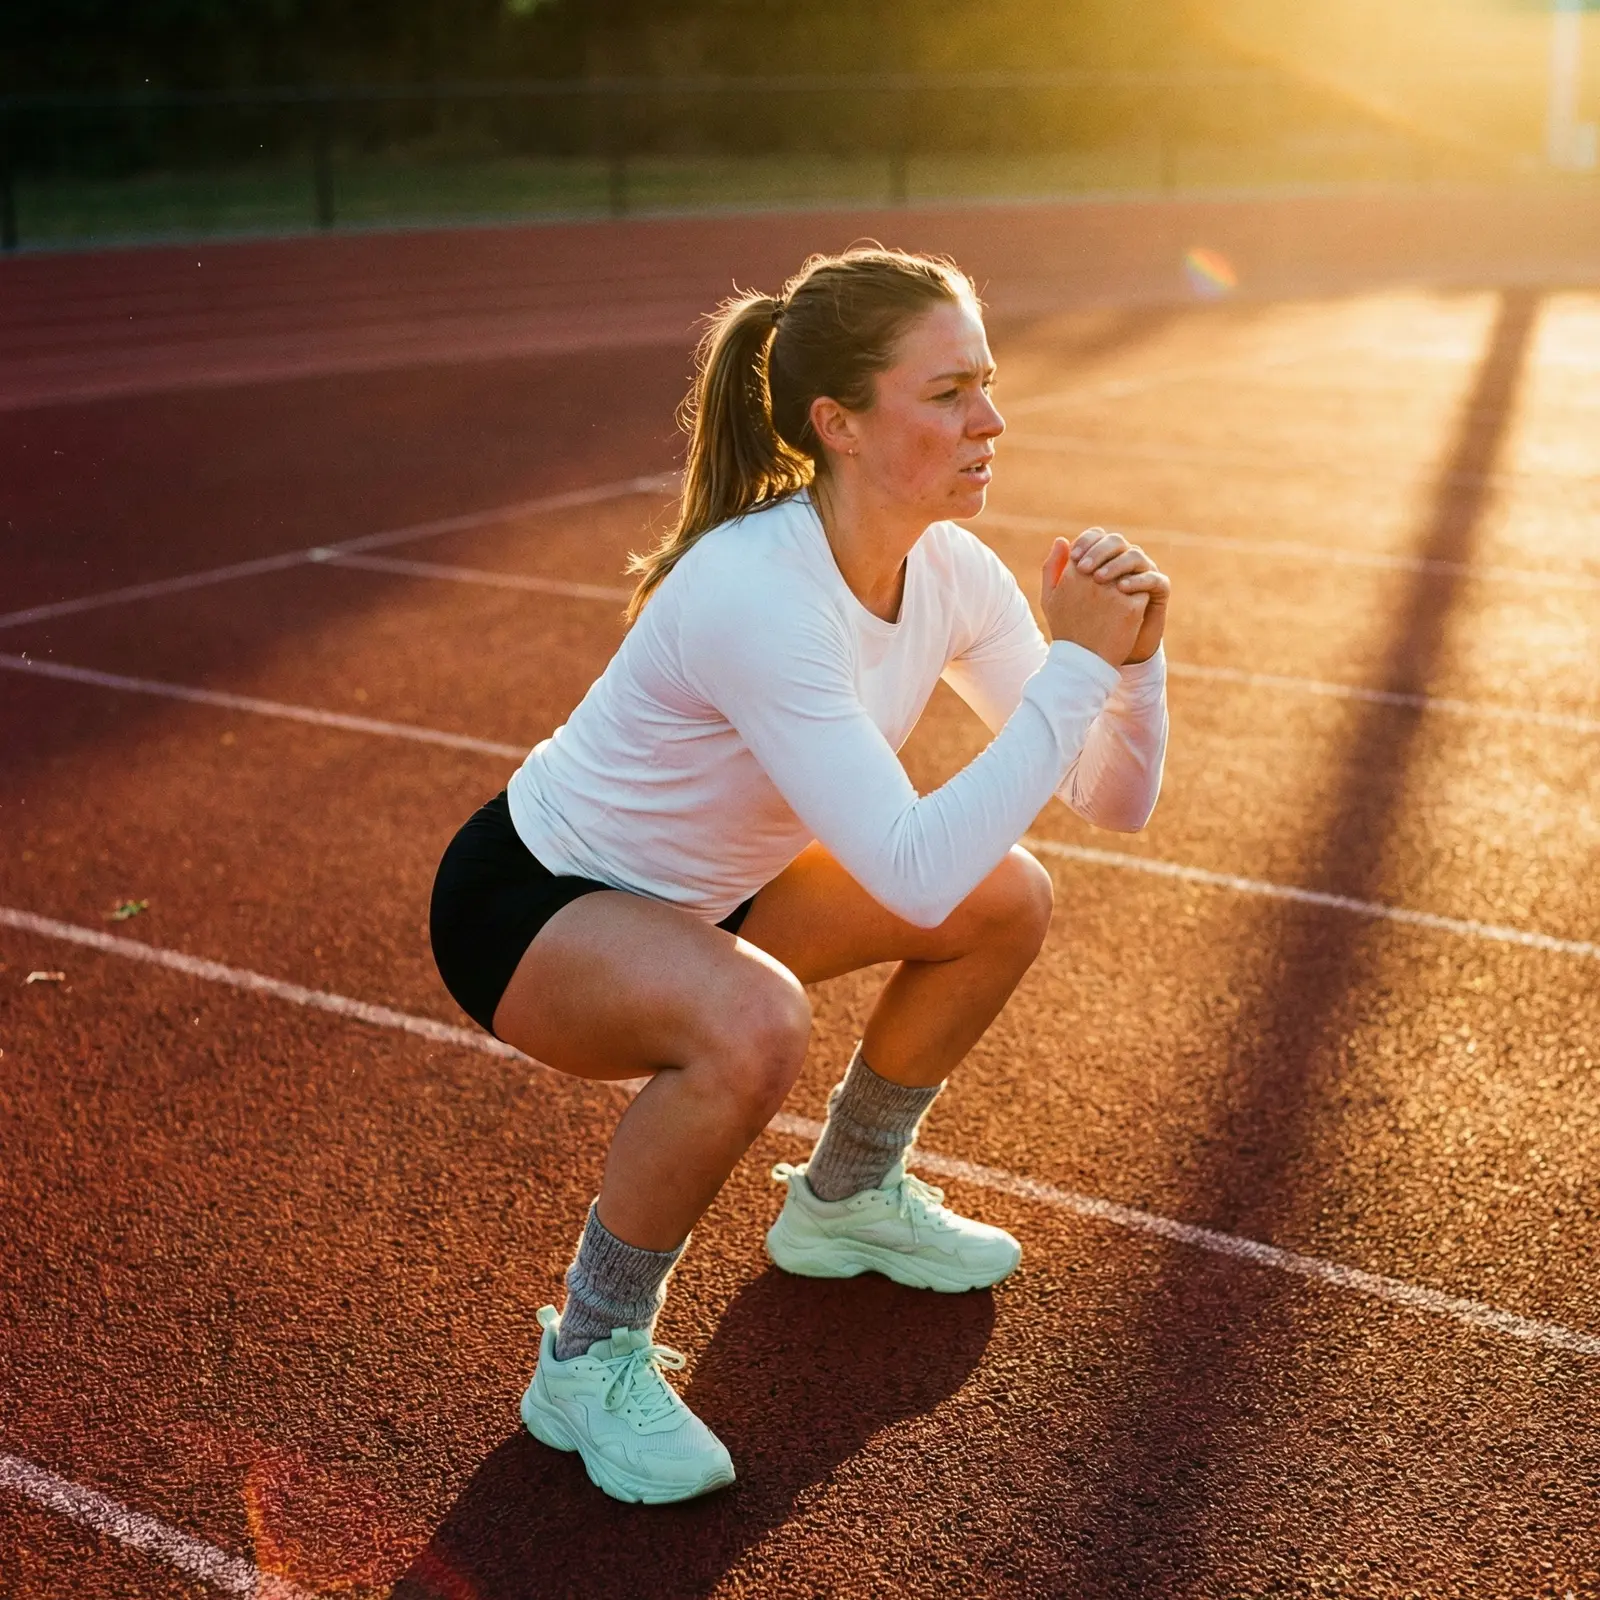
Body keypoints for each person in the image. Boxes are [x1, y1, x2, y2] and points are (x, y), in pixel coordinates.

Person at [428, 245, 1170, 1505]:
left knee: (1011, 896)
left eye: (985, 381)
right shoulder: (757, 592)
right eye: (945, 393)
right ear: (837, 422)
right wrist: (1073, 670)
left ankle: (845, 1197)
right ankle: (588, 1355)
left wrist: (1131, 664)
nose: (990, 418)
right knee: (754, 1017)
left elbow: (1114, 798)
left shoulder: (947, 569)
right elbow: (910, 870)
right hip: (533, 902)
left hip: (714, 891)